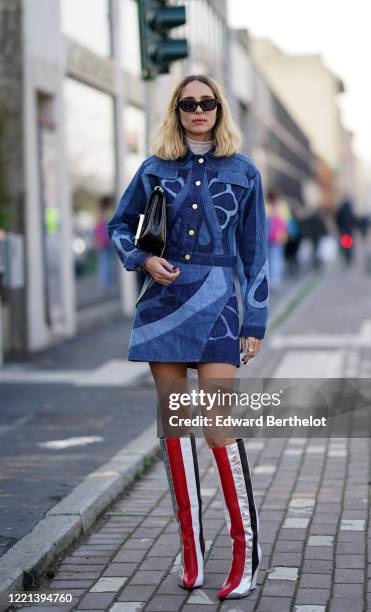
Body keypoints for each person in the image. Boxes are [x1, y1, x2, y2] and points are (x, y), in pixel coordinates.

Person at [107, 74, 269, 600]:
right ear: (176, 112)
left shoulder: (244, 171)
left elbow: (255, 254)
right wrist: (142, 258)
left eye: (208, 103)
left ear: (220, 110)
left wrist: (255, 321)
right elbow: (118, 226)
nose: (199, 111)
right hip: (163, 304)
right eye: (188, 104)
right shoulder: (154, 168)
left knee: (217, 428)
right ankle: (192, 554)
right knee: (175, 429)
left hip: (221, 306)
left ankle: (246, 555)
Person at [266, 189, 289, 291]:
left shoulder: (265, 205)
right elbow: (286, 221)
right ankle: (275, 280)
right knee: (277, 257)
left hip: (267, 236)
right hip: (279, 236)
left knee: (269, 258)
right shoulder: (282, 206)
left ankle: (270, 280)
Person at [94, 196, 114, 289]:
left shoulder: (101, 215)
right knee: (105, 262)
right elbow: (100, 230)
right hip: (104, 243)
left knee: (105, 262)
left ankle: (106, 282)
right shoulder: (102, 215)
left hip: (105, 242)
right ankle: (106, 283)